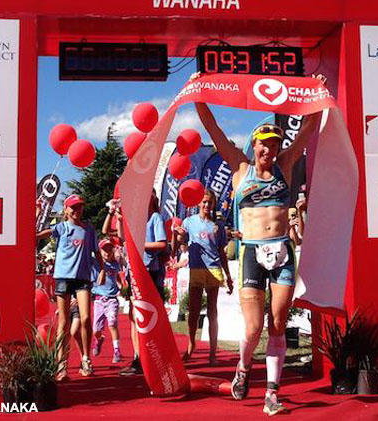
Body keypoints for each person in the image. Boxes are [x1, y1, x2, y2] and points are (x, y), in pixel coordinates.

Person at [195, 101, 319, 415]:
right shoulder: (240, 167)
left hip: (282, 250)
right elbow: (213, 129)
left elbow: (307, 130)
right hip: (252, 250)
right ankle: (243, 367)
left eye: (275, 145)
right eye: (265, 144)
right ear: (254, 144)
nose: (270, 150)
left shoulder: (285, 164)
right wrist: (199, 98)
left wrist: (316, 98)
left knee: (277, 324)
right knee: (253, 328)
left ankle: (272, 394)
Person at [36, 194, 105, 380]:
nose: (77, 210)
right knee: (64, 322)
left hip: (83, 278)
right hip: (63, 277)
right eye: (73, 207)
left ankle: (86, 359)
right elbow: (43, 233)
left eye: (80, 207)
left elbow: (96, 251)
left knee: (86, 318)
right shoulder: (62, 227)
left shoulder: (88, 229)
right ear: (66, 210)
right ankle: (61, 365)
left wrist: (102, 270)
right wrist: (38, 214)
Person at [173, 190, 233, 365]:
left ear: (214, 204)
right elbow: (179, 244)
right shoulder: (189, 222)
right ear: (199, 203)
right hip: (196, 268)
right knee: (193, 311)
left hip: (214, 269)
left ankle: (213, 353)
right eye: (204, 202)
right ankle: (191, 346)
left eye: (210, 202)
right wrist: (177, 234)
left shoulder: (218, 225)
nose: (207, 205)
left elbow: (222, 252)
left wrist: (228, 276)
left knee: (212, 312)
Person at [119, 189, 168, 376]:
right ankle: (138, 357)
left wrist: (140, 244)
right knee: (134, 315)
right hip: (134, 270)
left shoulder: (155, 218)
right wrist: (119, 217)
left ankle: (154, 357)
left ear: (153, 199)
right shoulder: (135, 218)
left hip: (149, 271)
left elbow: (162, 243)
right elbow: (123, 237)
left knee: (148, 316)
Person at [91, 238, 123, 364]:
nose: (107, 252)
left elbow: (117, 276)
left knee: (112, 323)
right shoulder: (95, 263)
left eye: (110, 250)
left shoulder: (115, 264)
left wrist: (120, 286)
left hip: (112, 299)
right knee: (96, 330)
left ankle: (117, 350)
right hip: (99, 300)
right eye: (104, 250)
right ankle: (99, 340)